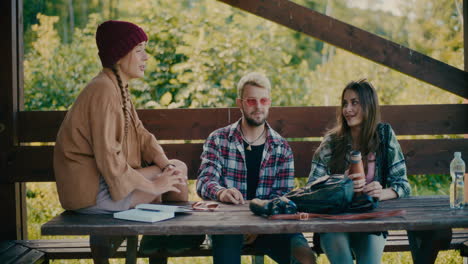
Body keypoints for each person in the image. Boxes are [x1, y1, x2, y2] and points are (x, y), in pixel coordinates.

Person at [53, 20, 204, 256]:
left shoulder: (118, 87)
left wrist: (165, 164)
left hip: (104, 182)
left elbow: (142, 135)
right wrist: (154, 185)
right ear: (119, 55)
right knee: (169, 179)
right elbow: (108, 157)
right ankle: (163, 244)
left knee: (175, 168)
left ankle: (163, 243)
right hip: (91, 194)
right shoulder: (103, 90)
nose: (146, 57)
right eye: (139, 51)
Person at [196, 72, 316, 264]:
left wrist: (258, 226)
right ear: (240, 103)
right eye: (251, 101)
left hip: (270, 224)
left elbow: (283, 195)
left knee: (305, 259)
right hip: (228, 224)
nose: (258, 106)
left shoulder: (281, 147)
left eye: (263, 100)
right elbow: (205, 181)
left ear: (269, 102)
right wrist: (221, 193)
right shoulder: (218, 139)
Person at [307, 79, 411, 264]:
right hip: (334, 222)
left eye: (355, 102)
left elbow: (402, 184)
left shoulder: (385, 135)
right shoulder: (332, 141)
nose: (347, 109)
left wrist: (381, 192)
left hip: (370, 221)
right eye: (345, 103)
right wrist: (340, 184)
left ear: (369, 105)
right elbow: (311, 188)